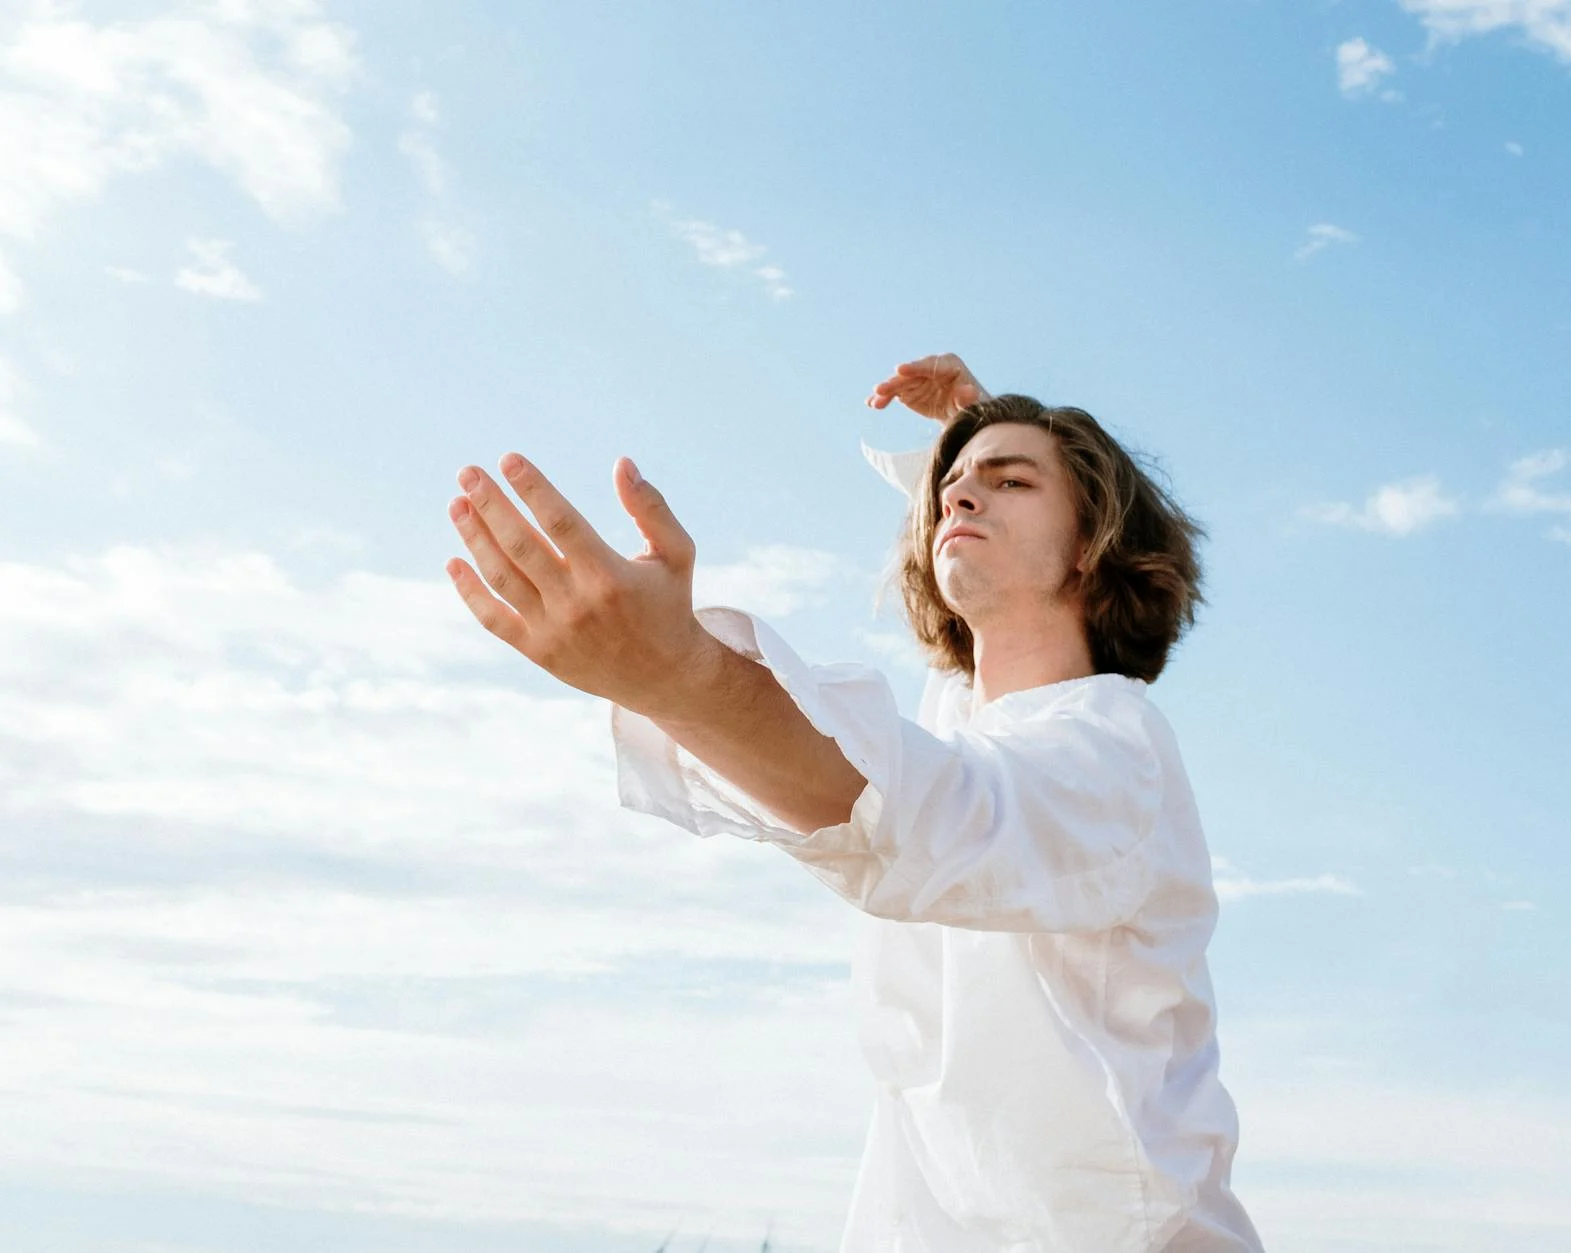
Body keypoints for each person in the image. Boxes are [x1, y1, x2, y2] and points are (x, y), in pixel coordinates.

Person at [443, 353, 1264, 1252]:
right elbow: (941, 727)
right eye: (950, 486)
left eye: (1010, 479)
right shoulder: (964, 717)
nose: (958, 497)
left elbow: (922, 814)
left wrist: (675, 671)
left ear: (1091, 544)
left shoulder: (1113, 749)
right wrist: (976, 425)